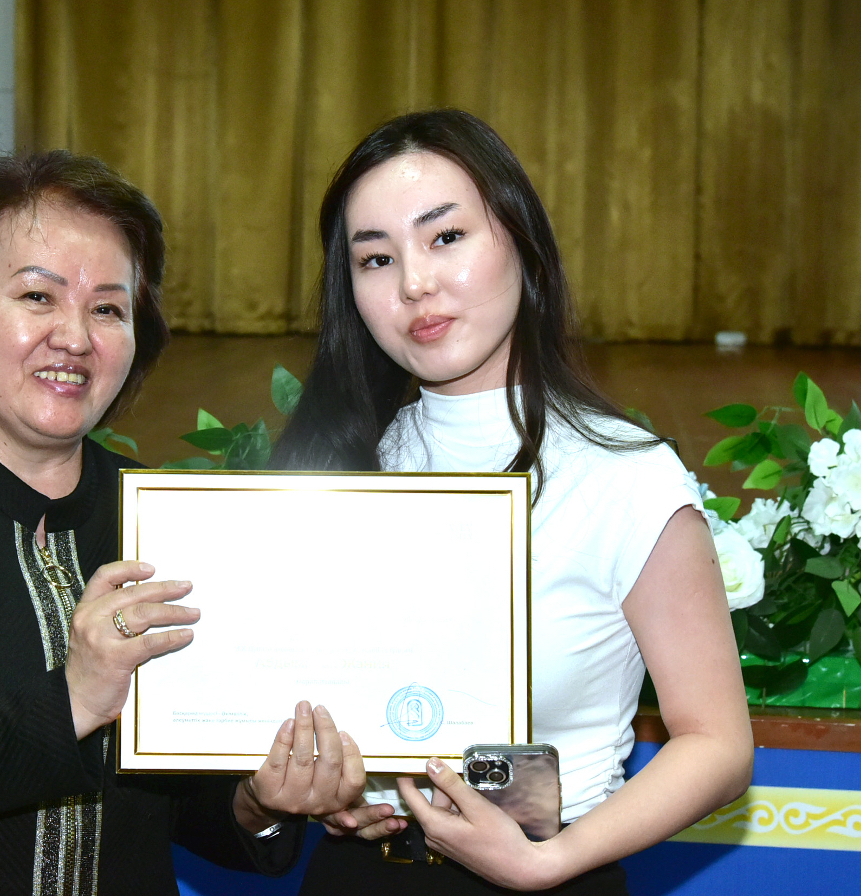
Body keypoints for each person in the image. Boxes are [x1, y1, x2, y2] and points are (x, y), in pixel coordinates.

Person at [0, 151, 365, 895]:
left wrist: (258, 803)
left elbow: (171, 796)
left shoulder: (158, 516)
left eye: (108, 309)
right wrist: (74, 699)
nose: (75, 337)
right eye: (38, 297)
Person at [271, 110, 754, 894]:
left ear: (522, 243)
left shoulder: (625, 476)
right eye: (376, 258)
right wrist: (330, 789)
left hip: (554, 871)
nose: (414, 283)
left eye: (446, 237)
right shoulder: (336, 472)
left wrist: (547, 861)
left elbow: (719, 744)